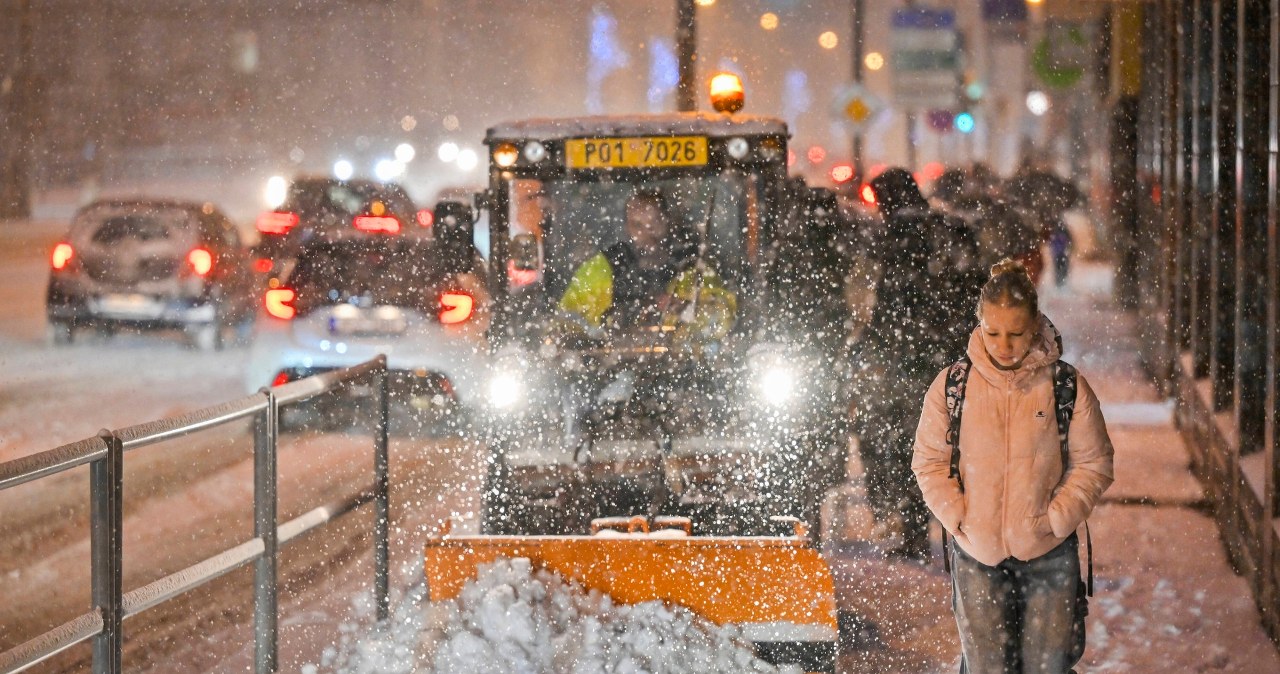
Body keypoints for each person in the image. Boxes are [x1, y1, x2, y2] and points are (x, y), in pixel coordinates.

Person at [912, 259, 1114, 672]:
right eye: (993, 332)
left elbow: (1094, 463)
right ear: (980, 324)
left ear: (1036, 325)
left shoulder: (1064, 385)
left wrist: (1055, 520)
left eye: (1016, 333)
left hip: (1049, 554)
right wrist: (959, 515)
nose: (1004, 344)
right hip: (977, 554)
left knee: (1047, 666)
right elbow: (929, 462)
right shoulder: (953, 385)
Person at [851, 167, 980, 560]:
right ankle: (955, 528)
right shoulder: (953, 230)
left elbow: (865, 301)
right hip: (948, 358)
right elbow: (976, 291)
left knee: (896, 443)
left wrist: (862, 345)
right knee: (948, 444)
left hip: (897, 360)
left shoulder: (885, 239)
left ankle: (907, 528)